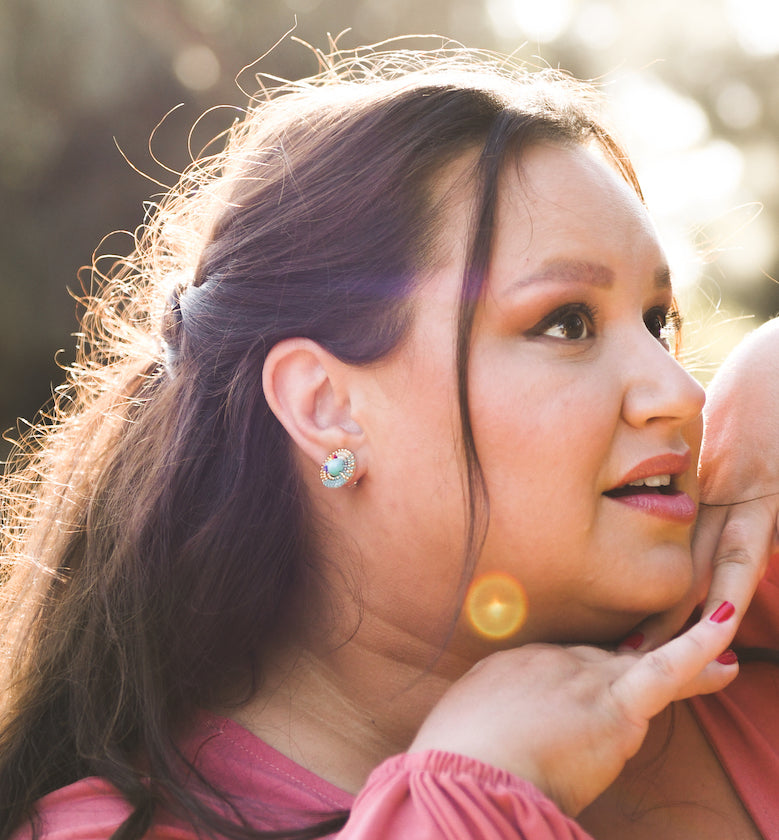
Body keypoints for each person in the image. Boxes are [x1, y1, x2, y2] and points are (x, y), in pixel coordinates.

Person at [0, 43, 775, 840]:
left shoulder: (732, 647)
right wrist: (477, 791)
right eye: (565, 322)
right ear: (328, 406)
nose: (680, 394)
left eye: (656, 324)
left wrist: (756, 402)